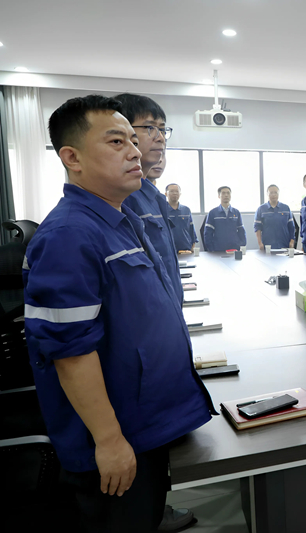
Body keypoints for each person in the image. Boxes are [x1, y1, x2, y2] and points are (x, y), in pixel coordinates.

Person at [23, 95, 214, 532]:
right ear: (71, 158)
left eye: (132, 138)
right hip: (116, 434)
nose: (134, 150)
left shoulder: (118, 220)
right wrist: (108, 441)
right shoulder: (70, 234)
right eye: (116, 141)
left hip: (144, 419)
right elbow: (70, 352)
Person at [115, 93, 182, 306]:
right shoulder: (124, 197)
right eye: (150, 128)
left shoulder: (151, 196)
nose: (160, 137)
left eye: (162, 129)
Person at [203, 186, 246, 251]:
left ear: (230, 196)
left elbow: (241, 231)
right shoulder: (213, 213)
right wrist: (211, 249)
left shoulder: (236, 213)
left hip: (234, 249)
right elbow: (208, 233)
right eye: (223, 193)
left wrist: (241, 245)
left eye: (228, 193)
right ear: (219, 196)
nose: (226, 195)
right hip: (218, 249)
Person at [254, 184, 295, 250]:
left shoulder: (286, 208)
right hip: (267, 246)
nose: (273, 195)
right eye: (271, 193)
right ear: (267, 194)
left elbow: (291, 227)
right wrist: (260, 243)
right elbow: (257, 227)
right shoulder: (261, 209)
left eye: (275, 193)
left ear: (278, 194)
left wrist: (292, 241)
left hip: (284, 244)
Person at [165, 181, 198, 253]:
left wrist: (193, 245)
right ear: (166, 194)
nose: (174, 193)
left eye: (177, 191)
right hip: (168, 247)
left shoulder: (186, 210)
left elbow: (191, 228)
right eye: (171, 191)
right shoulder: (162, 209)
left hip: (185, 247)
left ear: (180, 194)